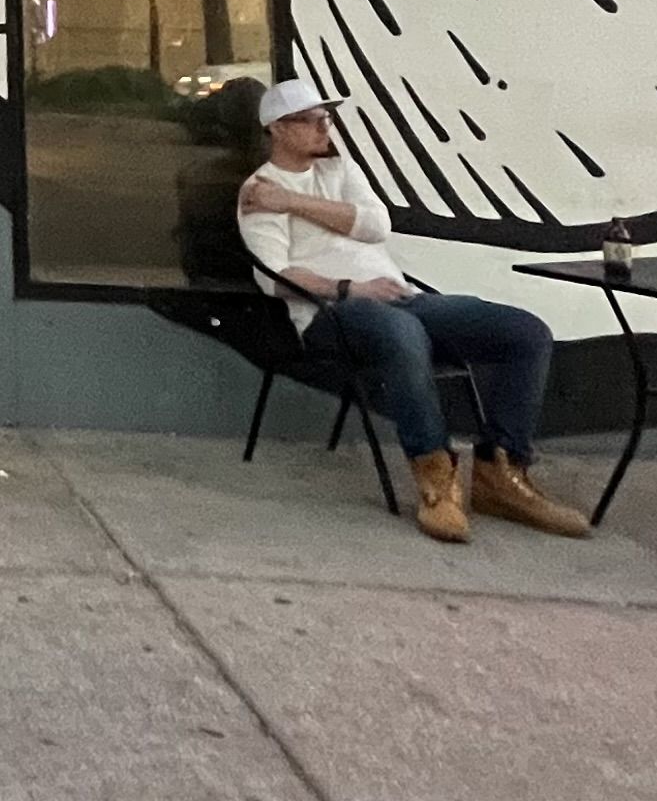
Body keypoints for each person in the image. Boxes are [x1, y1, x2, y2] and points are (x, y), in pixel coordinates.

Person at [235, 78, 592, 545]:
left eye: (328, 118)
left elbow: (376, 225)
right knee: (400, 331)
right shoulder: (258, 192)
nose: (326, 127)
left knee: (524, 332)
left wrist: (294, 202)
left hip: (402, 298)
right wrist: (352, 288)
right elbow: (275, 277)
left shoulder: (339, 172)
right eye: (313, 120)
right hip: (331, 314)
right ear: (278, 129)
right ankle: (435, 480)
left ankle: (501, 474)